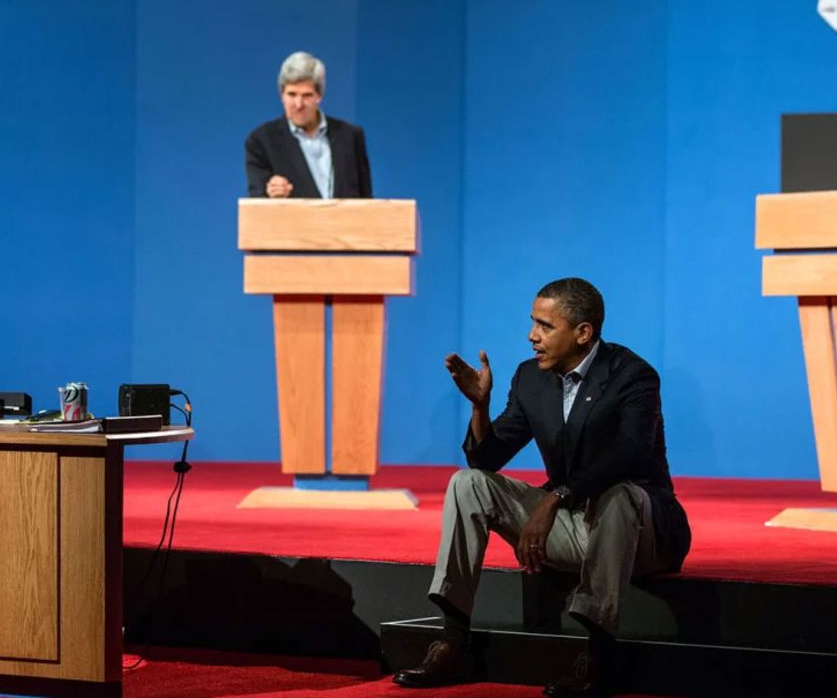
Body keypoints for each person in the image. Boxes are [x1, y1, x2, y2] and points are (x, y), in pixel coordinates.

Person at [393, 278, 691, 698]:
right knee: (468, 484)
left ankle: (601, 657)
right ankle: (454, 642)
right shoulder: (530, 378)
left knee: (618, 493)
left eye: (545, 326)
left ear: (583, 333)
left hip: (643, 535)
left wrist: (557, 497)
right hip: (576, 528)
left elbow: (631, 454)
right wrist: (480, 406)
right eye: (533, 323)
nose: (532, 335)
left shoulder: (632, 375)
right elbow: (486, 461)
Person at [244, 50, 372, 199]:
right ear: (281, 96)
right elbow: (257, 207)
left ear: (319, 96)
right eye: (292, 94)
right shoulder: (261, 142)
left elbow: (366, 201)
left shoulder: (351, 137)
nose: (298, 104)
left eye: (307, 95)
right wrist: (271, 195)